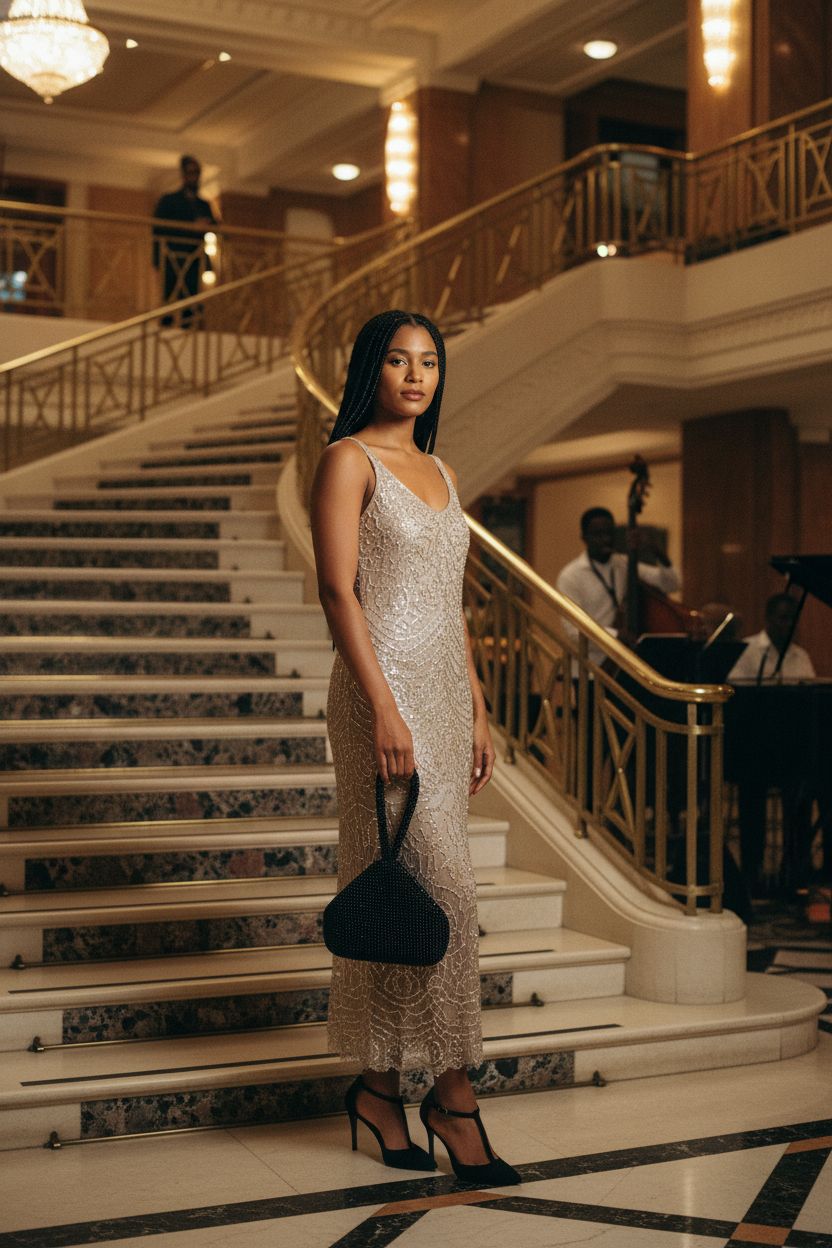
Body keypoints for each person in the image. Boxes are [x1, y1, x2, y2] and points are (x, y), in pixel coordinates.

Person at [310, 310, 520, 1188]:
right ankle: (456, 1100)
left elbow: (449, 602)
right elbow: (336, 589)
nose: (414, 373)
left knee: (406, 887)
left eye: (428, 361)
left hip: (439, 691)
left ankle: (377, 1085)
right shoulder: (347, 459)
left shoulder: (440, 469)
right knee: (441, 889)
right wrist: (385, 708)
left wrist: (474, 706)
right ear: (372, 370)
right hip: (377, 694)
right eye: (397, 359)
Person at [727, 593, 816, 896]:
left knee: (801, 795)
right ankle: (752, 870)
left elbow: (807, 703)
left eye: (791, 619)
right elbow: (737, 699)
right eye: (781, 618)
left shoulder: (800, 656)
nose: (786, 624)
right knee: (752, 796)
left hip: (790, 748)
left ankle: (794, 871)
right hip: (753, 748)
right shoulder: (749, 651)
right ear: (768, 619)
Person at [556, 506, 681, 666]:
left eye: (609, 533)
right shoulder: (570, 576)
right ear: (584, 537)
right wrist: (617, 636)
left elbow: (672, 584)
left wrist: (657, 551)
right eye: (598, 534)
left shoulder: (623, 564)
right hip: (590, 668)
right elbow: (573, 632)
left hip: (623, 664)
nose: (605, 539)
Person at [152, 155, 218, 325]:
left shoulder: (204, 204)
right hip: (173, 256)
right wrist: (190, 226)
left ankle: (190, 328)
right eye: (190, 172)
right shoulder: (169, 200)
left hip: (195, 259)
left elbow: (217, 226)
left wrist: (207, 225)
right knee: (170, 298)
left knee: (191, 299)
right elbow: (158, 227)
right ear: (183, 174)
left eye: (197, 172)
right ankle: (165, 331)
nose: (194, 176)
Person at [727, 593, 815, 683]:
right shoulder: (745, 650)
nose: (790, 624)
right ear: (768, 618)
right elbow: (737, 688)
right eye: (783, 618)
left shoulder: (801, 655)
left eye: (794, 619)